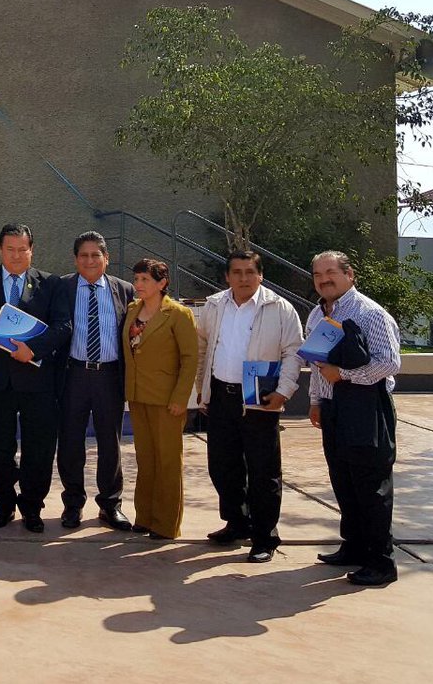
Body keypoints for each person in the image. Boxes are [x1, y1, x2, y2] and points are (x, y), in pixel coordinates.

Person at [194, 250, 303, 563]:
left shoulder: (280, 308)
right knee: (223, 466)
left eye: (249, 272)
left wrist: (283, 391)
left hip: (259, 397)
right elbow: (204, 348)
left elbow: (293, 353)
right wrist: (203, 390)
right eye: (237, 272)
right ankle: (237, 522)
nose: (243, 278)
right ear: (227, 276)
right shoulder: (215, 305)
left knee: (263, 470)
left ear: (261, 275)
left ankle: (265, 536)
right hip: (221, 395)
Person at [307, 250, 401, 587]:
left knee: (370, 486)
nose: (324, 279)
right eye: (318, 274)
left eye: (330, 272)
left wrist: (345, 375)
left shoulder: (370, 313)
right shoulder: (317, 315)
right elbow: (317, 366)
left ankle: (381, 562)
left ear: (350, 275)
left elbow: (389, 363)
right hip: (333, 410)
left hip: (366, 408)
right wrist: (317, 401)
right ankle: (354, 546)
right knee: (343, 480)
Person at [0, 224, 71, 533]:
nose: (16, 255)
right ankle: (3, 506)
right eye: (9, 249)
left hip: (38, 383)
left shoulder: (51, 284)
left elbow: (63, 326)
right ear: (0, 249)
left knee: (39, 449)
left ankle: (32, 507)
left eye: (22, 249)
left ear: (31, 250)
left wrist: (34, 349)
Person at [53, 232, 136, 532]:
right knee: (71, 443)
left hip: (109, 376)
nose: (90, 260)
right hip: (73, 374)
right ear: (76, 260)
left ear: (106, 258)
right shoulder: (62, 287)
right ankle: (72, 504)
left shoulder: (124, 290)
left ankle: (110, 505)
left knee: (110, 443)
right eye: (84, 255)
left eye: (95, 255)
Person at [122, 258, 199, 540]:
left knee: (168, 461)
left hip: (168, 400)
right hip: (138, 396)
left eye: (145, 280)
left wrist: (181, 398)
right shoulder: (133, 310)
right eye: (137, 279)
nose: (139, 285)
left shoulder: (178, 314)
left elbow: (190, 359)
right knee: (145, 459)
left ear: (162, 283)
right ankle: (144, 516)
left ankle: (166, 524)